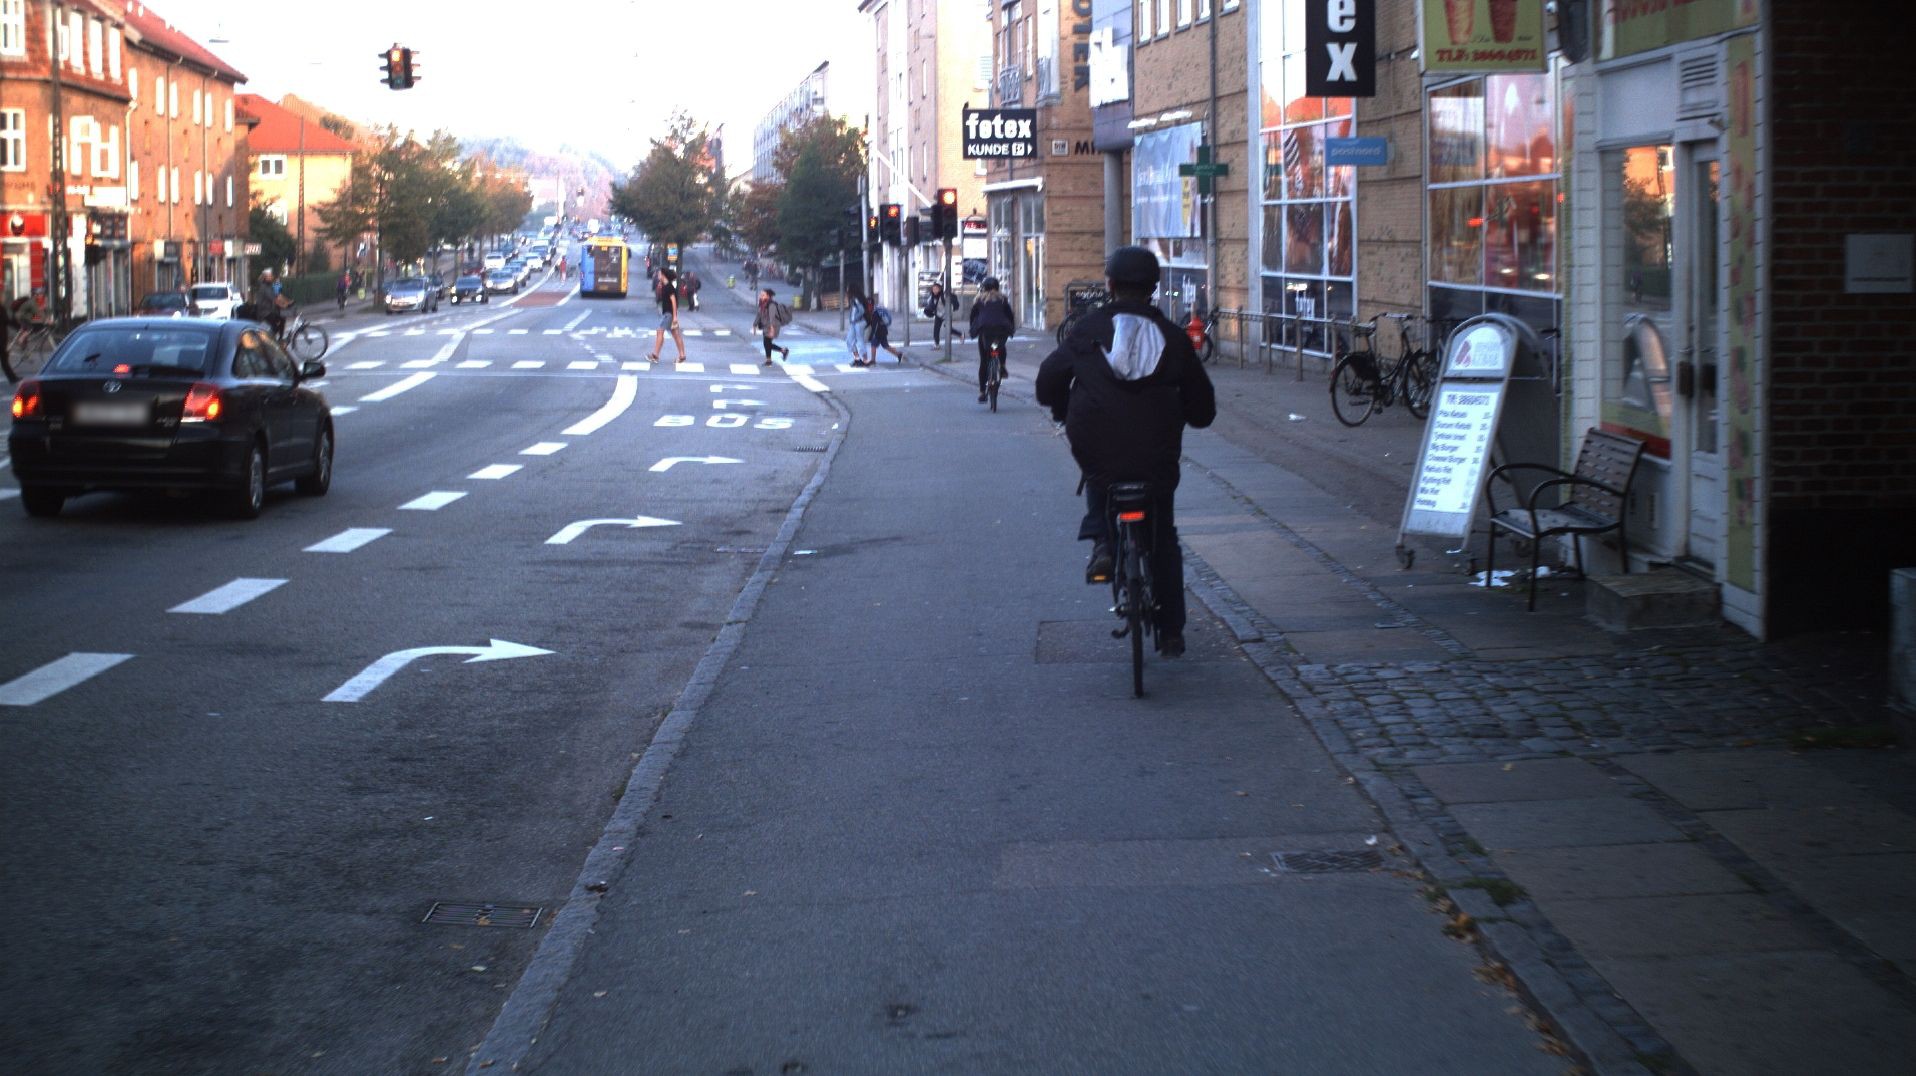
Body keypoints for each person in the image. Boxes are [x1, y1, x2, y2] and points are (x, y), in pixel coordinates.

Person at [1034, 245, 1216, 658]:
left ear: (1110, 284)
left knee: (1100, 468)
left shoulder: (1086, 330)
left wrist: (1063, 407)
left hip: (1095, 444)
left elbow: (1046, 383)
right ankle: (1171, 631)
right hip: (1156, 455)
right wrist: (1185, 413)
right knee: (1163, 535)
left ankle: (1102, 540)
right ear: (1153, 288)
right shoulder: (1173, 338)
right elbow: (1203, 408)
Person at [967, 276, 1016, 402]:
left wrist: (973, 329)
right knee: (999, 346)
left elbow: (973, 317)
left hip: (986, 332)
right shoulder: (1003, 300)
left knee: (984, 361)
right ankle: (1002, 366)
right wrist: (1011, 328)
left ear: (984, 288)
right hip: (1000, 332)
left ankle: (982, 392)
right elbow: (1010, 316)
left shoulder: (979, 301)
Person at [648, 267, 688, 363]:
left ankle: (655, 355)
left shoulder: (668, 287)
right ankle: (682, 355)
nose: (658, 275)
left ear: (663, 275)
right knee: (676, 334)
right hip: (669, 314)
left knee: (660, 331)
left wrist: (674, 317)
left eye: (659, 273)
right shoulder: (665, 286)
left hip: (668, 314)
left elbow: (674, 302)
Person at [754, 287, 791, 365]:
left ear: (768, 296)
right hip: (766, 325)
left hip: (773, 325)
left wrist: (772, 329)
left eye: (763, 295)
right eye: (761, 294)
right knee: (767, 343)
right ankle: (781, 352)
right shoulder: (763, 304)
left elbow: (772, 317)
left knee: (767, 342)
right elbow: (759, 314)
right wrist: (755, 324)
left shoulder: (772, 305)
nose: (761, 296)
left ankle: (770, 359)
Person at [250, 268, 291, 338]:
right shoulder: (264, 287)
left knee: (281, 320)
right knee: (276, 324)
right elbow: (274, 299)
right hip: (264, 313)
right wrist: (284, 305)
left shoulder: (269, 286)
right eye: (270, 276)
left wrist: (288, 302)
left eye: (271, 276)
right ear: (265, 278)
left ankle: (277, 338)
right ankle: (274, 339)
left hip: (269, 311)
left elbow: (277, 295)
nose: (272, 277)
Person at [865, 296, 902, 364]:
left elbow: (875, 326)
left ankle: (873, 360)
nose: (868, 307)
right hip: (883, 331)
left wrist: (872, 335)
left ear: (872, 305)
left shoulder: (875, 313)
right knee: (885, 346)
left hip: (879, 332)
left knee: (873, 345)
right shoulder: (875, 311)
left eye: (869, 305)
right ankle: (898, 354)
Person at [923, 280, 959, 346]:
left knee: (948, 329)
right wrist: (929, 311)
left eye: (936, 289)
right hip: (938, 315)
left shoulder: (944, 296)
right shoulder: (932, 297)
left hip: (947, 315)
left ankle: (960, 335)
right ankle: (937, 344)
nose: (934, 290)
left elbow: (950, 307)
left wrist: (947, 314)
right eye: (933, 288)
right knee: (936, 330)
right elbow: (931, 305)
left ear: (940, 289)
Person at [845, 290, 874, 366]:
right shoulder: (853, 300)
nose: (847, 293)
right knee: (849, 340)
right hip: (853, 323)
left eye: (848, 291)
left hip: (859, 322)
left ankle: (865, 360)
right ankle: (857, 359)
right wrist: (852, 320)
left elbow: (862, 311)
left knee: (860, 340)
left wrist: (855, 319)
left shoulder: (856, 299)